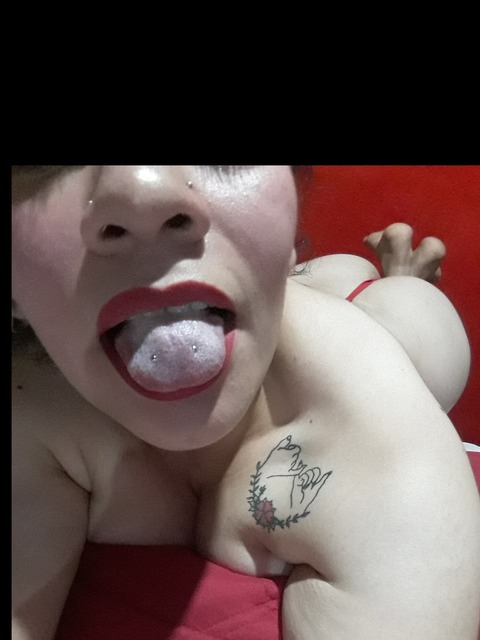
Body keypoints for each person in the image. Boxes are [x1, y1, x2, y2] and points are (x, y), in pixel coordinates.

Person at [12, 165, 480, 640]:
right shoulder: (34, 401)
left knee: (407, 318)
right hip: (272, 288)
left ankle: (401, 278)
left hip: (385, 326)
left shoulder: (392, 464)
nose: (144, 192)